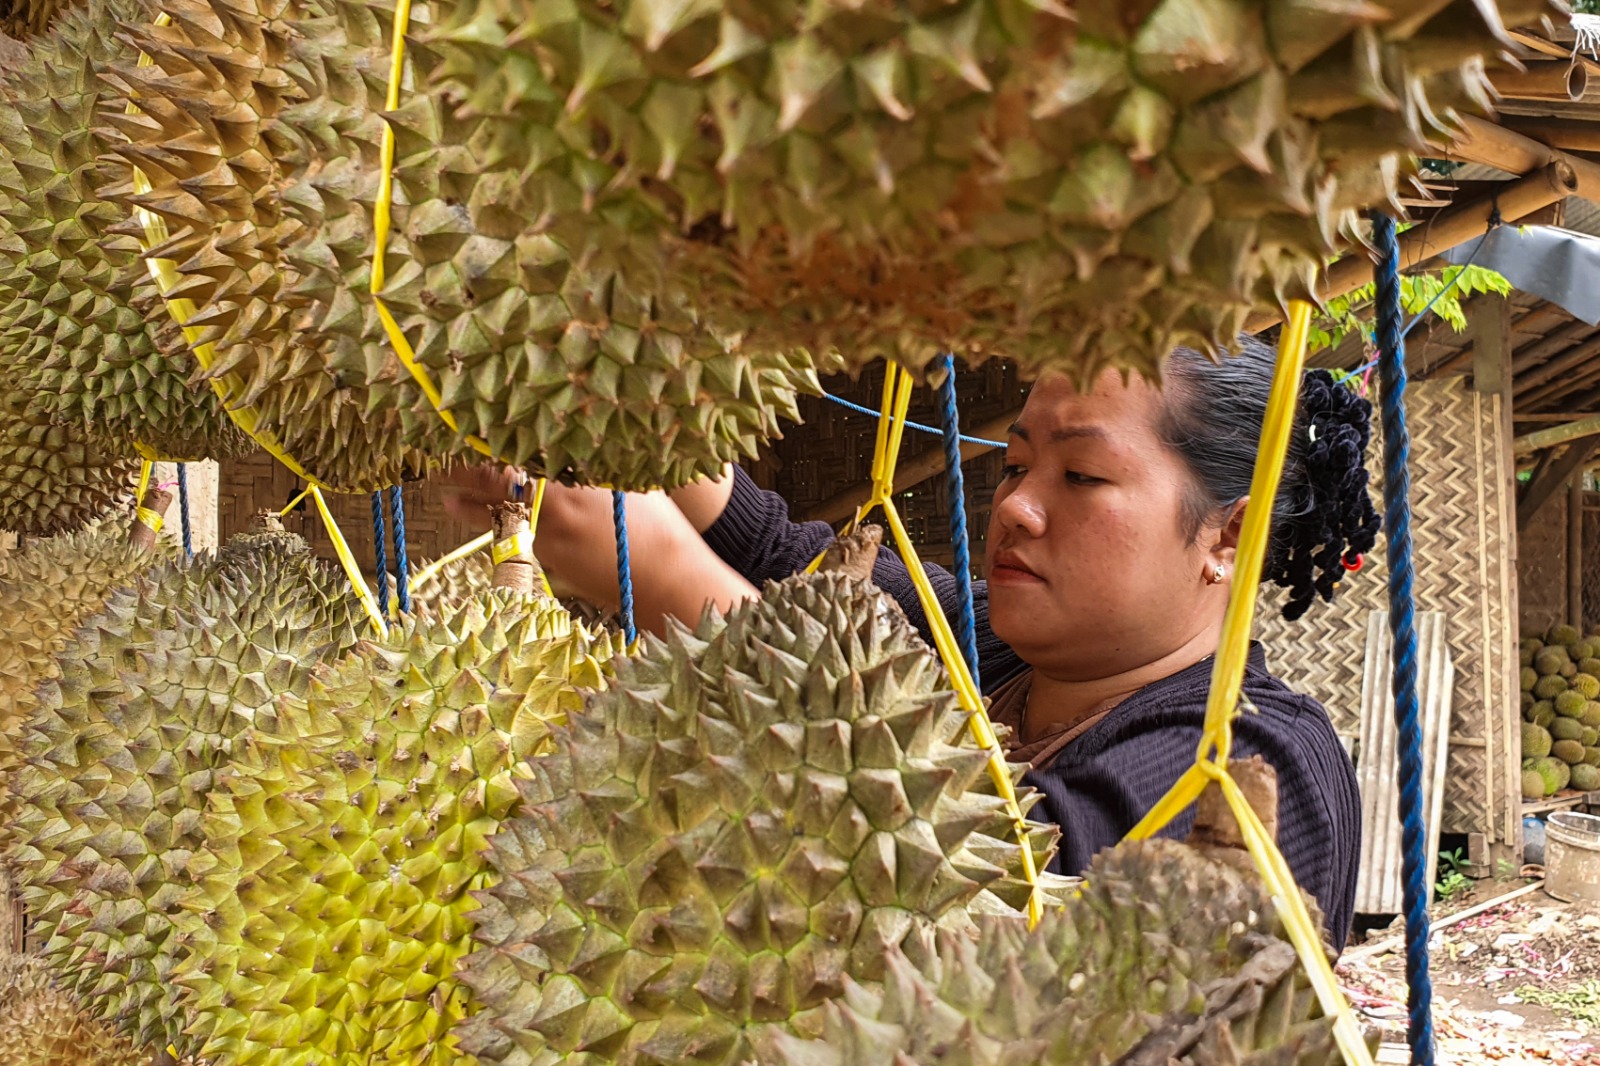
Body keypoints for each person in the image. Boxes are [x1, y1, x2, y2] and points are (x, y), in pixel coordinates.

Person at [442, 337, 1380, 949]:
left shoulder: (1254, 763)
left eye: (1082, 474)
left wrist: (651, 569)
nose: (1012, 504)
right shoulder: (991, 653)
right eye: (1014, 463)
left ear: (1228, 535)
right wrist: (626, 417)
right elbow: (777, 550)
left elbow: (979, 897)